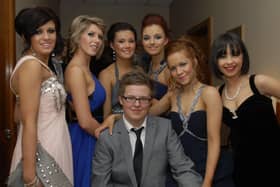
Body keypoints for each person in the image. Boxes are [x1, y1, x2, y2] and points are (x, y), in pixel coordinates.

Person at [92, 70, 202, 187]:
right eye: (130, 98)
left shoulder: (165, 129)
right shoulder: (107, 137)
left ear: (150, 101)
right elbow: (100, 183)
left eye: (143, 99)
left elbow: (183, 169)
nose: (137, 104)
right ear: (121, 100)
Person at [149, 37, 234, 187]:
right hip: (180, 169)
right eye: (173, 68)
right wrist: (115, 117)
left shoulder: (209, 93)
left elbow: (214, 141)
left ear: (194, 61)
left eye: (183, 64)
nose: (179, 72)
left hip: (209, 169)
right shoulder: (172, 95)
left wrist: (207, 182)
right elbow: (145, 114)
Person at [8, 6, 73, 186]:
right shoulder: (31, 66)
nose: (46, 37)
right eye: (38, 32)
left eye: (51, 31)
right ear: (26, 37)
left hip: (54, 145)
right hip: (43, 154)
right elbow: (28, 122)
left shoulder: (38, 65)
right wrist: (30, 178)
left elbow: (16, 116)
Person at [209, 32, 280, 186]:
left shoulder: (259, 82)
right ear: (215, 61)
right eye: (223, 56)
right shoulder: (215, 94)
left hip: (275, 163)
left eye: (235, 54)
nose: (229, 61)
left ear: (243, 57)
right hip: (241, 170)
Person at [64, 15, 106, 187]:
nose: (96, 40)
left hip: (92, 137)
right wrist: (113, 140)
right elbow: (85, 121)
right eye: (90, 34)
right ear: (77, 36)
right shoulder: (75, 70)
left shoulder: (86, 69)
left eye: (100, 36)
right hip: (84, 140)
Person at [99, 22, 139, 117]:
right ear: (112, 45)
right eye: (121, 41)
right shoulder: (106, 75)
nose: (127, 46)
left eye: (131, 41)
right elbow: (107, 116)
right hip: (117, 128)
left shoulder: (140, 70)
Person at [140, 13, 171, 100]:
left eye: (158, 37)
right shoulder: (145, 66)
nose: (152, 42)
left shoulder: (170, 68)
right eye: (146, 38)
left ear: (165, 40)